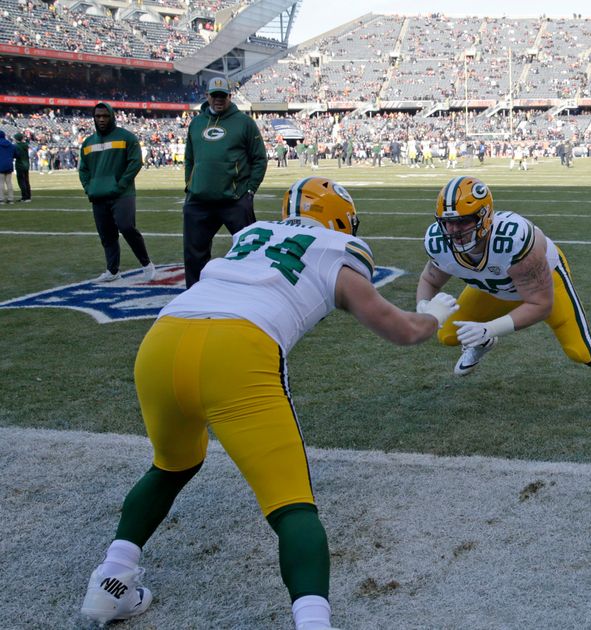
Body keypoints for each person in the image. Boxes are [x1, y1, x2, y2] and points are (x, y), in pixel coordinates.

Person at [79, 177, 460, 630]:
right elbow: (400, 330)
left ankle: (111, 580)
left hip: (162, 340)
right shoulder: (336, 250)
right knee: (292, 504)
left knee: (171, 465)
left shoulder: (250, 237)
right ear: (340, 218)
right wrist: (434, 313)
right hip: (236, 350)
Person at [416, 176, 591, 428]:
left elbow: (540, 305)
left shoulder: (513, 239)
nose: (454, 230)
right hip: (492, 289)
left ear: (484, 216)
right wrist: (424, 308)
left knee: (581, 350)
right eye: (448, 223)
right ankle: (483, 342)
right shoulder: (439, 243)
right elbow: (430, 280)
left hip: (544, 285)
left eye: (463, 221)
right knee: (448, 334)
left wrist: (491, 326)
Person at [183, 77, 268, 287]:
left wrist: (249, 191)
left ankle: (255, 292)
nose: (218, 100)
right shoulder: (196, 122)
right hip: (199, 201)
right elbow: (189, 159)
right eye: (215, 95)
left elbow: (259, 159)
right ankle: (194, 294)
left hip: (235, 200)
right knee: (194, 254)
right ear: (207, 96)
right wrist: (190, 186)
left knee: (251, 250)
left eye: (223, 96)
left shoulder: (244, 122)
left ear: (230, 96)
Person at [79, 102, 155, 282]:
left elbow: (135, 162)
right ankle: (112, 271)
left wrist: (121, 185)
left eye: (105, 116)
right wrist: (89, 187)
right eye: (98, 116)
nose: (101, 120)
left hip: (122, 194)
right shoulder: (88, 142)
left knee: (127, 227)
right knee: (106, 235)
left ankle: (147, 264)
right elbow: (83, 169)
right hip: (98, 195)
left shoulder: (126, 137)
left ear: (112, 116)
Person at [14, 132, 31, 202]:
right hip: (26, 164)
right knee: (26, 181)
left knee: (21, 181)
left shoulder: (16, 146)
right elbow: (27, 141)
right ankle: (28, 196)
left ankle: (24, 197)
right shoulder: (25, 145)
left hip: (20, 164)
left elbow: (16, 155)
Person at [0, 130, 13, 203]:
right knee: (9, 182)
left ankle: (1, 198)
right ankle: (10, 198)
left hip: (0, 165)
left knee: (1, 182)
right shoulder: (10, 144)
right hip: (9, 164)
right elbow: (15, 153)